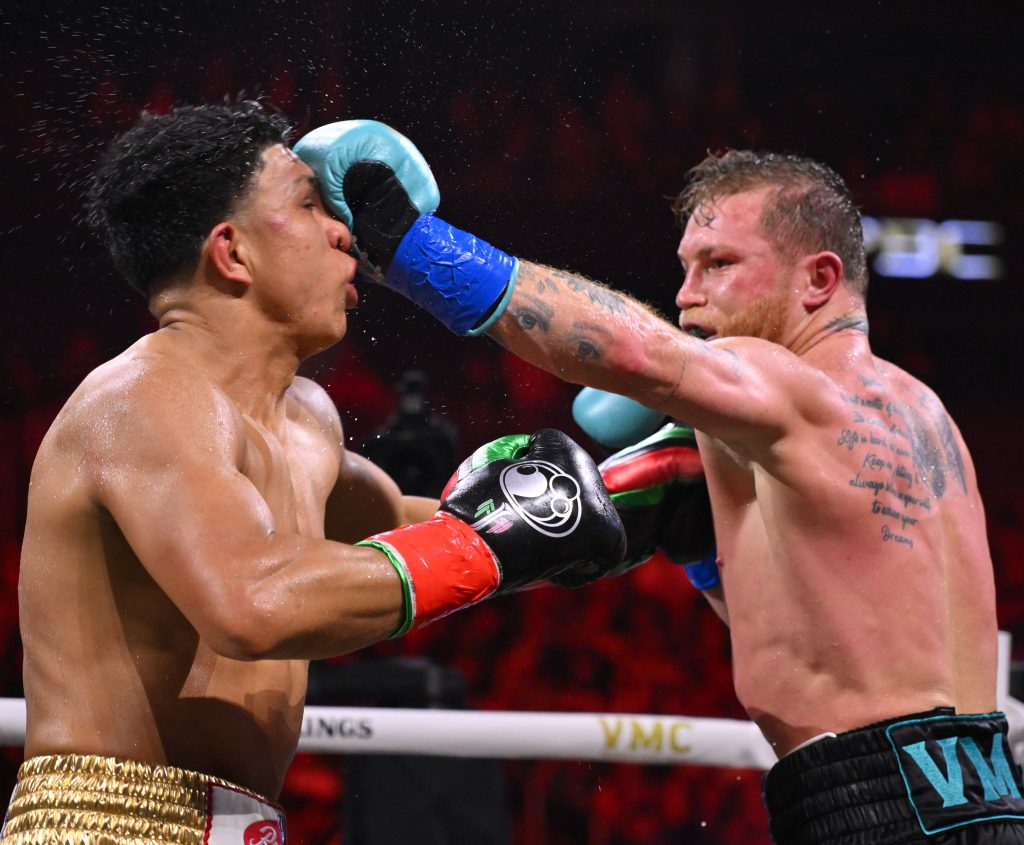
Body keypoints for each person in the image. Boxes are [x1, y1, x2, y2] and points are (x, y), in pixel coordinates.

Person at [297, 120, 1024, 843]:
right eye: (685, 267)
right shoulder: (925, 416)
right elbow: (837, 633)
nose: (686, 297)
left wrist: (407, 241)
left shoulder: (791, 383)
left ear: (820, 279)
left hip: (874, 806)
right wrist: (708, 555)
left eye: (718, 264)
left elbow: (637, 353)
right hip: (984, 801)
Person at [4, 102, 628, 845]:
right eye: (308, 205)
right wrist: (487, 541)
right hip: (109, 824)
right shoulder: (142, 398)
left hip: (244, 823)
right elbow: (253, 603)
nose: (345, 233)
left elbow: (428, 525)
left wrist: (636, 496)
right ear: (230, 253)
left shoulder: (305, 419)